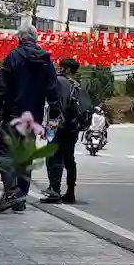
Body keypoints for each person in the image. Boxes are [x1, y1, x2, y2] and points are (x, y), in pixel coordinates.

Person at [0, 22, 59, 214]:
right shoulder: (45, 59)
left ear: (19, 38)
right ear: (36, 39)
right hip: (34, 117)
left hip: (13, 114)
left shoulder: (13, 56)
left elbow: (2, 86)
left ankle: (12, 192)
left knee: (3, 151)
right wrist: (54, 114)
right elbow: (52, 90)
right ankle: (20, 200)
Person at [41, 58, 90, 204]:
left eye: (61, 66)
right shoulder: (78, 85)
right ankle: (70, 193)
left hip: (56, 125)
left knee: (53, 157)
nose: (58, 68)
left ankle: (54, 191)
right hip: (73, 127)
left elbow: (50, 101)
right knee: (69, 160)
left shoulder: (58, 81)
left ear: (67, 69)